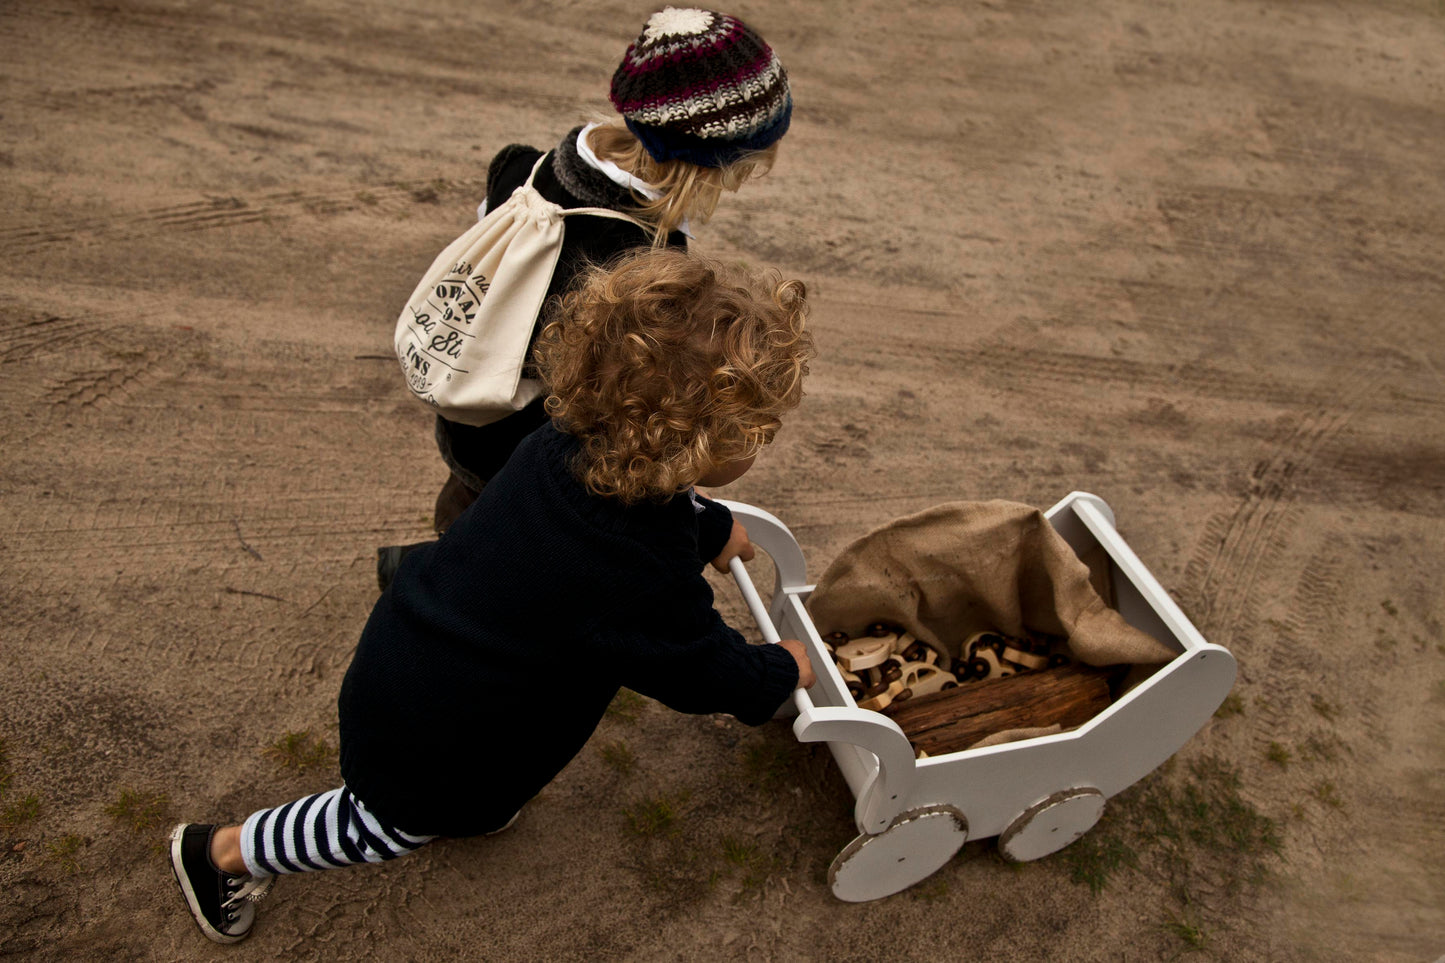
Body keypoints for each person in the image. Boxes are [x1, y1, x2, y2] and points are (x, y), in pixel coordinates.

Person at [169, 249, 817, 944]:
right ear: (697, 440)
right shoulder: (639, 570)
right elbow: (695, 666)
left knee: (469, 790)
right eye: (754, 433)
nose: (759, 444)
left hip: (419, 649)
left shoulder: (562, 443)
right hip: (441, 727)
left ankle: (470, 805)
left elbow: (640, 513)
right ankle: (222, 851)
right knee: (385, 824)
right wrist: (779, 670)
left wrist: (710, 525)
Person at [376, 6, 794, 590]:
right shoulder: (638, 271)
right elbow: (621, 412)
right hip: (531, 450)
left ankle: (444, 557)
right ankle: (430, 586)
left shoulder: (529, 166)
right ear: (714, 163)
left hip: (469, 402)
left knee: (473, 506)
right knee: (527, 559)